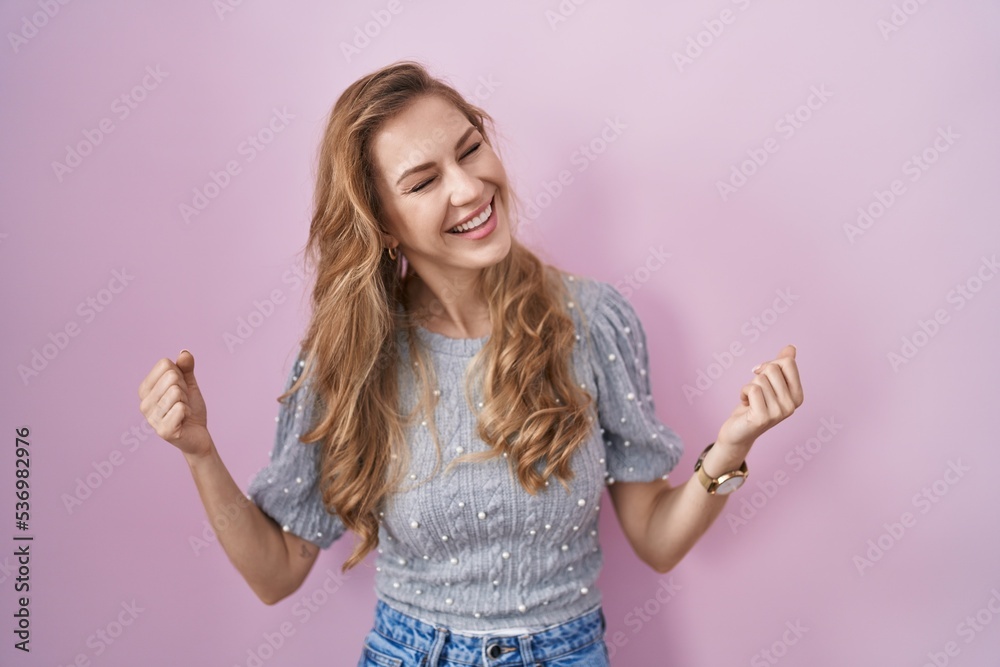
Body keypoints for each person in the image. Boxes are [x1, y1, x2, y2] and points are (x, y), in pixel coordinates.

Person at [137, 60, 804, 666]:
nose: (469, 187)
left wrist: (732, 448)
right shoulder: (350, 359)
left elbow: (657, 539)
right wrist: (199, 450)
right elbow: (276, 573)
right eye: (424, 181)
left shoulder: (592, 320)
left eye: (470, 149)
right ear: (384, 222)